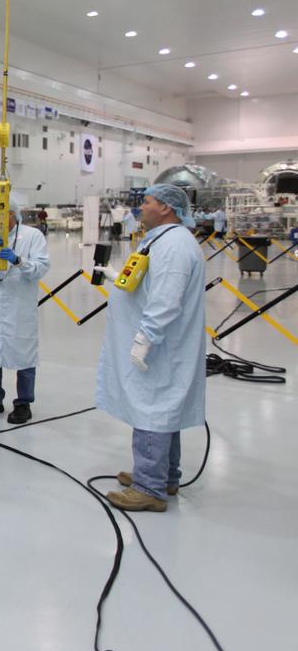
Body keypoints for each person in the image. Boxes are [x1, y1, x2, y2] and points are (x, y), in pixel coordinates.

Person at [95, 185, 206, 512]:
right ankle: (164, 475)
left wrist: (145, 340)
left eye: (146, 202)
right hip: (159, 343)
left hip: (161, 347)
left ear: (167, 208)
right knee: (163, 411)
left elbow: (166, 301)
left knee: (152, 409)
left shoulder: (173, 245)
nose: (140, 207)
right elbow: (146, 282)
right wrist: (117, 277)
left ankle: (149, 488)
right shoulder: (162, 239)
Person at [0, 196, 51, 424]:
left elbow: (42, 267)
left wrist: (18, 261)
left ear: (13, 214)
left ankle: (23, 403)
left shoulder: (33, 236)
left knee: (23, 356)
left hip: (19, 306)